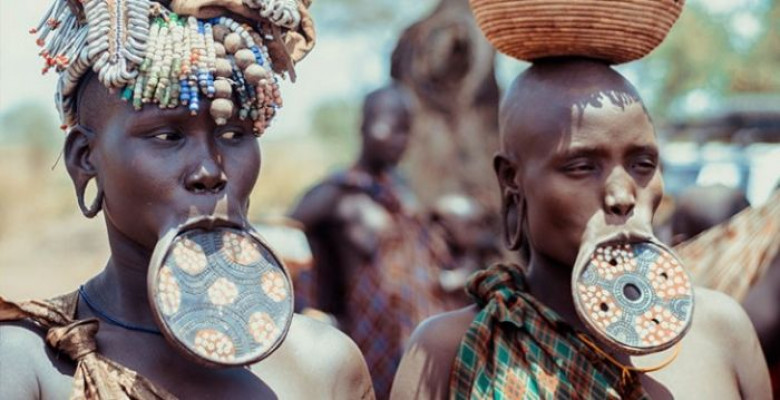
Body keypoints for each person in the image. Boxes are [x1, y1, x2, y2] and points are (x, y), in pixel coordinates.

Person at [0, 1, 374, 398]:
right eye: (167, 136)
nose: (209, 171)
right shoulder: (32, 363)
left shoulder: (322, 365)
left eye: (233, 135)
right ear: (84, 159)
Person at [390, 58, 771, 399]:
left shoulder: (720, 330)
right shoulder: (454, 349)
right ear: (511, 181)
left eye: (642, 164)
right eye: (582, 167)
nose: (622, 195)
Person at [289, 84, 452, 398]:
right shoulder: (335, 194)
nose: (401, 140)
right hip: (367, 340)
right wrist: (313, 317)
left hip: (412, 338)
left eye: (406, 130)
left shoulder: (401, 195)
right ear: (363, 125)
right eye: (392, 126)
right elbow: (284, 241)